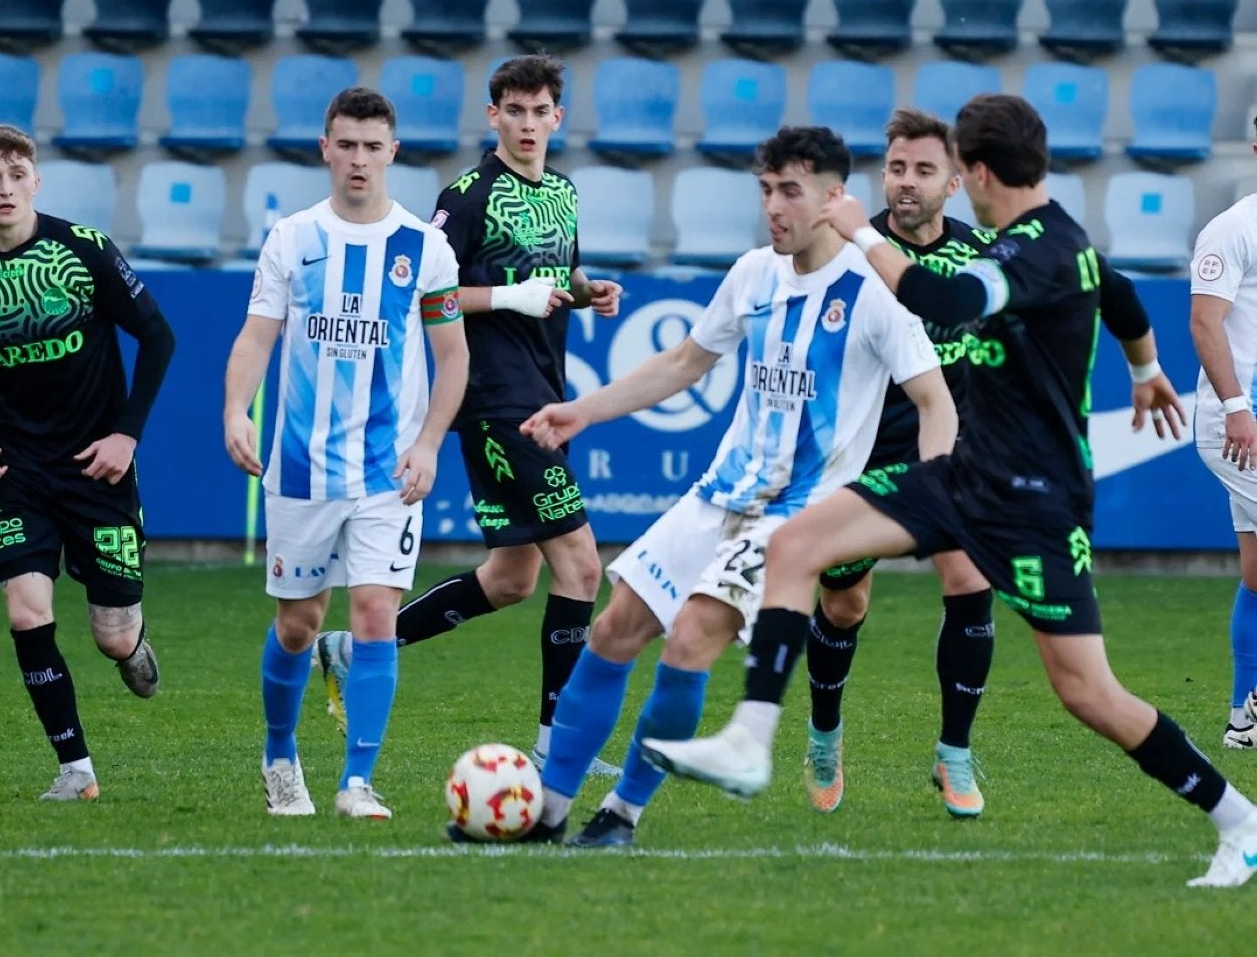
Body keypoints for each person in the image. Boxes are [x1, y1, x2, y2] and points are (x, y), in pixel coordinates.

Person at [642, 95, 1257, 890]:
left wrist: (856, 227)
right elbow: (1124, 292)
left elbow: (943, 300)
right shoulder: (1053, 238)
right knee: (798, 542)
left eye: (956, 165)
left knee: (1089, 692)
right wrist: (1145, 371)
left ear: (978, 172)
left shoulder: (1033, 250)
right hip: (961, 476)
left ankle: (1237, 819)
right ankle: (752, 737)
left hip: (1034, 504)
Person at [504, 126, 957, 846]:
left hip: (797, 517)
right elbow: (684, 361)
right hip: (718, 494)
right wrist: (581, 411)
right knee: (614, 629)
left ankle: (621, 813)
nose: (773, 207)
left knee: (689, 639)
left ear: (835, 199)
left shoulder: (875, 291)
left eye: (790, 192)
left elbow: (936, 402)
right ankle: (548, 812)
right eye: (766, 190)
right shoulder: (753, 273)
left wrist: (930, 500)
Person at [802, 108, 1184, 818]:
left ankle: (954, 753)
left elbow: (1113, 289)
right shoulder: (838, 256)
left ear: (957, 181)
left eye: (922, 170)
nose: (905, 183)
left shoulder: (993, 256)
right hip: (863, 455)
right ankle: (825, 732)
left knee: (968, 581)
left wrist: (1147, 366)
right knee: (843, 601)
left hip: (963, 457)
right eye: (894, 168)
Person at [314, 54, 624, 776]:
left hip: (546, 388)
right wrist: (504, 300)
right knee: (581, 564)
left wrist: (587, 292)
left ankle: (352, 646)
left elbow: (560, 272)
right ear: (493, 117)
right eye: (510, 110)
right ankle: (560, 747)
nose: (524, 123)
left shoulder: (563, 192)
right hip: (492, 400)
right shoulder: (469, 195)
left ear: (556, 116)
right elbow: (424, 291)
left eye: (537, 109)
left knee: (514, 577)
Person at [223, 87, 468, 819]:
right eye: (346, 144)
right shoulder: (292, 238)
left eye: (372, 146)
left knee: (373, 614)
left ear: (392, 152)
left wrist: (428, 443)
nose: (359, 159)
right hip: (300, 466)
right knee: (299, 622)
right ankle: (279, 753)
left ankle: (357, 780)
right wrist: (236, 408)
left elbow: (453, 358)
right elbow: (256, 336)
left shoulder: (425, 247)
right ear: (325, 148)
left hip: (390, 470)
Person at [0, 124, 175, 802]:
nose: (5, 188)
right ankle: (76, 769)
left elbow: (157, 336)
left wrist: (126, 435)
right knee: (26, 611)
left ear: (37, 179)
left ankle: (132, 641)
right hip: (19, 468)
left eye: (16, 174)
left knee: (111, 635)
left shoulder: (83, 250)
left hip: (98, 465)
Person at [1189, 120, 1257, 749]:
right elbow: (1205, 323)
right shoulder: (1233, 228)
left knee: (1256, 572)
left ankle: (1244, 720)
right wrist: (1237, 406)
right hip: (1243, 424)